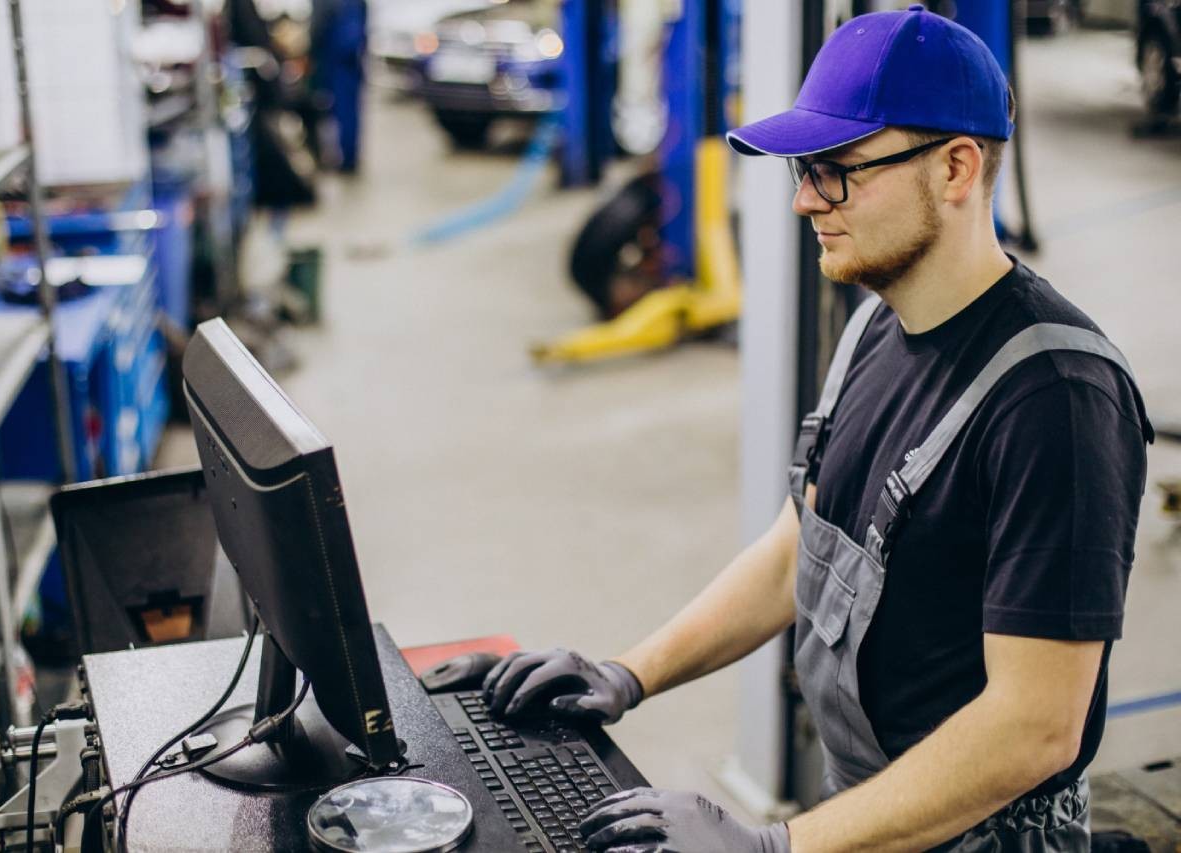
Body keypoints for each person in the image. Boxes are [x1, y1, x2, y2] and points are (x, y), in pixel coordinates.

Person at [483, 5, 1153, 851]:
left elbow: (1035, 728)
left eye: (836, 170)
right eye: (804, 169)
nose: (805, 200)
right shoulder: (878, 323)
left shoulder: (1055, 400)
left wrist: (777, 845)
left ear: (955, 167)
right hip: (861, 818)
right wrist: (628, 671)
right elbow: (802, 541)